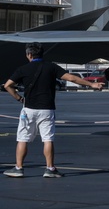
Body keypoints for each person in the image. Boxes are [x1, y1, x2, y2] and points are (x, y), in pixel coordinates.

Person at [3, 42, 103, 178]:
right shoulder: (51, 67)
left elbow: (8, 85)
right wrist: (92, 84)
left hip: (28, 109)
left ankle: (19, 168)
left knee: (22, 138)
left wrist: (19, 98)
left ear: (29, 54)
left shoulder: (23, 69)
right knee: (47, 139)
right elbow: (72, 78)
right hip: (47, 108)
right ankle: (50, 168)